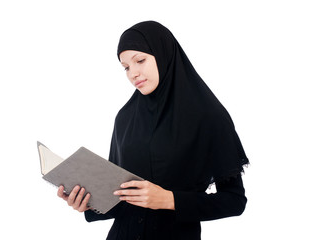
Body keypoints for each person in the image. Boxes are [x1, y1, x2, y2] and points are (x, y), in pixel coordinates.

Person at [57, 21, 249, 240]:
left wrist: (169, 200)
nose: (133, 73)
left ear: (163, 53)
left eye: (140, 60)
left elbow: (234, 201)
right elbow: (121, 198)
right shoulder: (125, 118)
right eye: (126, 67)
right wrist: (88, 203)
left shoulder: (209, 116)